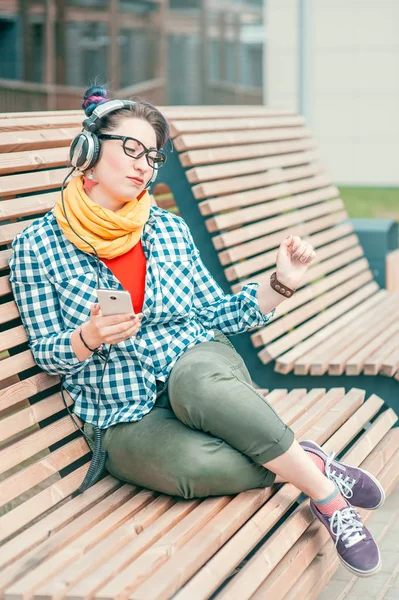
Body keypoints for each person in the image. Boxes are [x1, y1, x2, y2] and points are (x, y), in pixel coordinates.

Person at [9, 86, 384, 577]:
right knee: (195, 470)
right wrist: (89, 337)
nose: (144, 164)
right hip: (118, 410)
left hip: (195, 359)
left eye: (153, 155)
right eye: (131, 148)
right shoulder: (36, 247)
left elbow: (214, 312)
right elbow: (46, 355)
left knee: (197, 385)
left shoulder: (167, 229)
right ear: (88, 151)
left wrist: (279, 285)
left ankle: (329, 500)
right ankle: (307, 458)